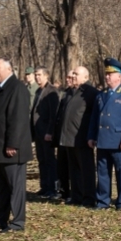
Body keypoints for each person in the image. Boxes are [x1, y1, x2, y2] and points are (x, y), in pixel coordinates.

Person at [0, 57, 33, 233]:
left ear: (9, 69)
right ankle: (0, 218)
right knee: (1, 187)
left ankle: (18, 221)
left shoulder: (16, 88)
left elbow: (18, 119)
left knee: (15, 187)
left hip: (10, 149)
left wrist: (13, 144)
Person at [88, 57, 121, 211]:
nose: (107, 76)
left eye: (111, 74)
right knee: (103, 172)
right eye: (106, 74)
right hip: (102, 140)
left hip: (118, 140)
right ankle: (103, 200)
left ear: (119, 77)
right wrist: (91, 136)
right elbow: (94, 118)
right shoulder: (101, 95)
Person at [58, 66, 98, 207]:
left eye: (76, 74)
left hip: (82, 138)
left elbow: (95, 116)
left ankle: (89, 198)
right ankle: (76, 196)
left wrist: (92, 136)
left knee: (86, 170)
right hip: (68, 137)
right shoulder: (70, 92)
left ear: (86, 77)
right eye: (73, 73)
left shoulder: (91, 93)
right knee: (73, 170)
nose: (73, 75)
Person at [30, 66, 60, 199]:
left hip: (47, 133)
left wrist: (50, 132)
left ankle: (53, 188)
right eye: (36, 75)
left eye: (39, 75)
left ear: (46, 76)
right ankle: (44, 186)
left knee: (50, 160)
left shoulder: (51, 91)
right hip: (38, 132)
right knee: (41, 160)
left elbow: (54, 114)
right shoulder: (38, 91)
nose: (37, 77)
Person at [52, 70, 74, 201]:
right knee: (62, 166)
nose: (68, 80)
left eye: (71, 77)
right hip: (61, 135)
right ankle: (63, 191)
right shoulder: (65, 93)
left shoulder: (79, 94)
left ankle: (72, 192)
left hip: (72, 137)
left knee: (72, 167)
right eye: (67, 77)